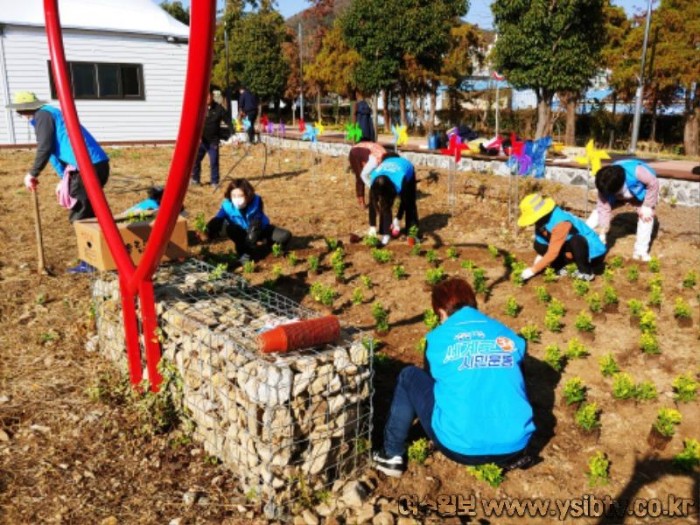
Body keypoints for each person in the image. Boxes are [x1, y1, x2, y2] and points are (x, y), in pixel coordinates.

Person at [373, 277, 535, 477]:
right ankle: (505, 453)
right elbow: (520, 383)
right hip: (516, 444)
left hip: (459, 445)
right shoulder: (507, 334)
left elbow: (435, 385)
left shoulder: (438, 338)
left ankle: (391, 454)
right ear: (473, 303)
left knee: (409, 377)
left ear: (441, 312)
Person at [7, 91, 110, 273]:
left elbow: (45, 148)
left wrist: (33, 173)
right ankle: (102, 254)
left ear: (25, 110)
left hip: (88, 166)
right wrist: (64, 179)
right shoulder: (50, 114)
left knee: (81, 214)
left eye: (20, 113)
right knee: (90, 211)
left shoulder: (43, 115)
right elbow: (55, 151)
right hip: (92, 164)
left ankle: (91, 262)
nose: (21, 117)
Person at [518, 193, 607, 282]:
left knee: (576, 240)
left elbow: (553, 252)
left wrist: (533, 270)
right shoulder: (541, 221)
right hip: (571, 246)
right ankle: (560, 266)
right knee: (538, 245)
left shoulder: (560, 222)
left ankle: (586, 272)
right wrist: (541, 257)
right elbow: (542, 242)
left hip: (591, 252)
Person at [586, 160, 659, 261]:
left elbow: (653, 183)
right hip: (616, 196)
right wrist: (603, 231)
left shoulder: (637, 172)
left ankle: (640, 252)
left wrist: (647, 205)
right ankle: (582, 233)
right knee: (599, 211)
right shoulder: (604, 184)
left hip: (640, 195)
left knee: (646, 217)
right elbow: (603, 209)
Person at [205, 178, 291, 263]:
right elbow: (217, 220)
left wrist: (251, 243)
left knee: (284, 236)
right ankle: (242, 251)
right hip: (241, 232)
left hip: (260, 229)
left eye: (240, 196)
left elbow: (255, 224)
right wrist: (206, 230)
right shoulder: (227, 205)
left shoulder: (256, 201)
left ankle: (266, 245)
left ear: (248, 195)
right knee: (232, 229)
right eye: (234, 196)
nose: (237, 199)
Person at [368, 155, 418, 245]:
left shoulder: (400, 180)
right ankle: (385, 231)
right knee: (384, 204)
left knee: (410, 203)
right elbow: (372, 203)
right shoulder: (374, 177)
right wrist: (372, 226)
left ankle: (411, 233)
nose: (380, 197)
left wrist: (397, 218)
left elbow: (404, 202)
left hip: (405, 166)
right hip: (389, 164)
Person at [192, 86, 231, 188]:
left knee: (214, 162)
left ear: (212, 96)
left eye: (209, 96)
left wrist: (234, 134)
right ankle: (195, 179)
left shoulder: (219, 109)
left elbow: (229, 121)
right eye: (205, 96)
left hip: (213, 141)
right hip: (201, 141)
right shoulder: (199, 108)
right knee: (195, 160)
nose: (207, 98)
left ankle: (214, 182)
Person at [348, 141, 388, 208]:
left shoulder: (385, 159)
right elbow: (364, 175)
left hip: (367, 150)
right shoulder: (374, 161)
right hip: (355, 152)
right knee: (360, 176)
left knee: (372, 176)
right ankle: (361, 202)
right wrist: (373, 187)